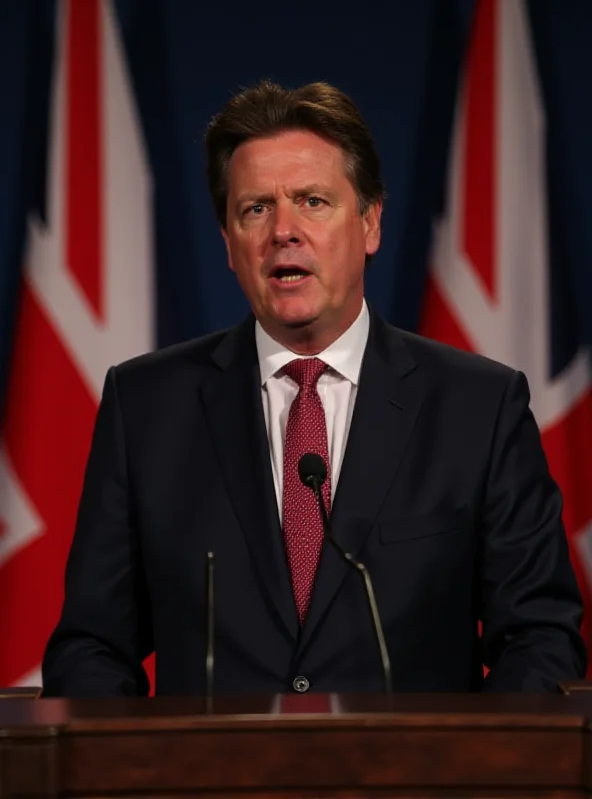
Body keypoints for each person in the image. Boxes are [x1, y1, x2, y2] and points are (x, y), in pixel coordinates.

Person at [42, 80, 586, 697]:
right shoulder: (145, 408)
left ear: (371, 223)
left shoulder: (478, 409)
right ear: (229, 244)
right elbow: (91, 645)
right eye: (255, 209)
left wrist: (471, 771)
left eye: (313, 201)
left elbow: (539, 637)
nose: (283, 231)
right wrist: (139, 777)